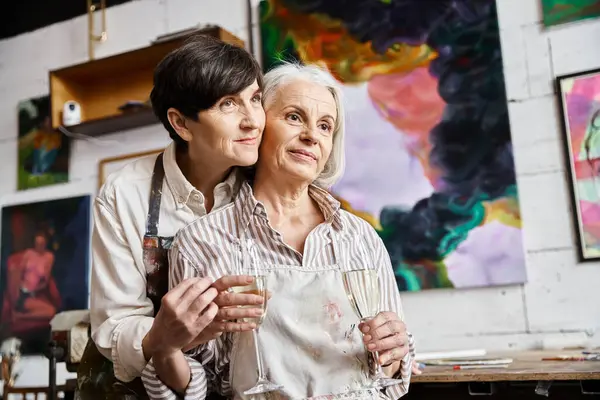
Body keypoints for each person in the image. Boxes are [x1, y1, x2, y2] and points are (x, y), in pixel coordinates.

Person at [141, 62, 417, 400]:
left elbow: (387, 378)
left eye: (325, 126)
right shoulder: (201, 243)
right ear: (257, 127)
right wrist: (166, 349)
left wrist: (393, 352)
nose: (311, 136)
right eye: (294, 117)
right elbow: (202, 384)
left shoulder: (361, 238)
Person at [77, 34, 268, 399]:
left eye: (255, 99)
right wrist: (161, 338)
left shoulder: (264, 185)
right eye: (229, 104)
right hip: (134, 386)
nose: (253, 121)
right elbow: (115, 326)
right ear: (181, 123)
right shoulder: (125, 193)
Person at [15, 232, 56, 316]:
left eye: (42, 243)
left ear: (45, 244)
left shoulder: (49, 256)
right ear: (34, 243)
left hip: (35, 292)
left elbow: (46, 281)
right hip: (23, 291)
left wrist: (35, 290)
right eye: (37, 243)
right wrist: (18, 288)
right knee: (50, 311)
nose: (39, 246)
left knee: (52, 311)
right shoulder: (28, 253)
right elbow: (18, 273)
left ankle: (21, 315)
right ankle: (20, 310)